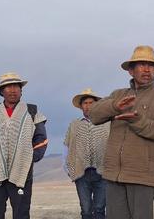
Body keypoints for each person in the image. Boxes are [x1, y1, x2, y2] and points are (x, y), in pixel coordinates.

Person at [89, 45, 154, 219]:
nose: (146, 69)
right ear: (130, 71)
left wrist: (136, 120)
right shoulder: (118, 94)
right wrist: (115, 106)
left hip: (142, 175)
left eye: (150, 66)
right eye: (141, 65)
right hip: (114, 175)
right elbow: (94, 115)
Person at [0, 72, 48, 219]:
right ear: (1, 92)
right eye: (8, 87)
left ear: (21, 90)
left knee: (21, 214)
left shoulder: (32, 111)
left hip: (21, 173)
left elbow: (41, 140)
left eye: (16, 86)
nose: (13, 90)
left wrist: (27, 160)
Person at [63, 88, 110, 219]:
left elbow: (113, 145)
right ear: (81, 106)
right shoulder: (74, 124)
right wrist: (68, 168)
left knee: (100, 209)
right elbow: (68, 146)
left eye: (91, 102)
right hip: (81, 174)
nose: (88, 106)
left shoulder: (107, 123)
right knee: (86, 210)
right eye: (85, 103)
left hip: (102, 173)